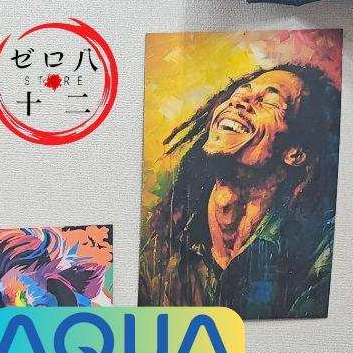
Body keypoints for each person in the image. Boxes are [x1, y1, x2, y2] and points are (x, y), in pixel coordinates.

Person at [139, 64, 341, 319]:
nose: (239, 101)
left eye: (270, 102)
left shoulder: (321, 254)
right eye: (241, 92)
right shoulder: (168, 236)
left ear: (295, 153)